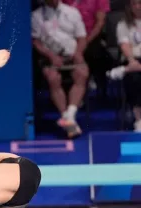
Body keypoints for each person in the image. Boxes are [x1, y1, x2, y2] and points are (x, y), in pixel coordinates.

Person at [32, 0, 89, 138]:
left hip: (72, 55)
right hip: (50, 57)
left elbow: (81, 37)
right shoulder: (36, 16)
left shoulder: (72, 12)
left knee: (82, 73)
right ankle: (66, 117)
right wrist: (51, 56)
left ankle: (69, 115)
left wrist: (78, 53)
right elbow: (36, 41)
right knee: (53, 78)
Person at [116, 0, 141, 132]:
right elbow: (124, 45)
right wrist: (131, 61)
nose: (137, 7)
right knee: (134, 78)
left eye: (140, 3)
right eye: (134, 4)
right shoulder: (123, 24)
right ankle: (139, 120)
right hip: (133, 59)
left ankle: (123, 70)